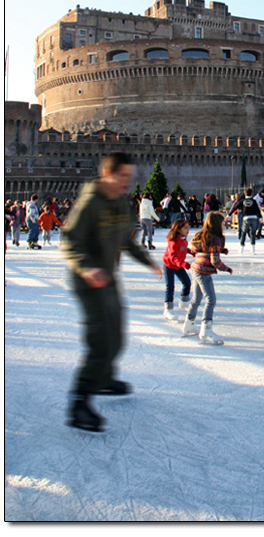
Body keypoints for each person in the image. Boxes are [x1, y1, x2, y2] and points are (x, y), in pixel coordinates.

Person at [61, 152, 162, 433]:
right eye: (123, 177)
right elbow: (69, 242)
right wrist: (86, 269)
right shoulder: (90, 202)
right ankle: (79, 403)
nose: (127, 183)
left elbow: (126, 241)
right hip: (87, 279)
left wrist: (148, 262)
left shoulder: (119, 201)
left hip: (108, 276)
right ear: (108, 174)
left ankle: (104, 378)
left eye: (130, 177)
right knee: (100, 339)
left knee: (117, 333)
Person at [181, 212, 233, 345]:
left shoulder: (202, 234)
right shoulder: (215, 238)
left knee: (196, 299)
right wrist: (226, 268)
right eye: (222, 223)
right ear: (217, 224)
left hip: (195, 268)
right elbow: (215, 261)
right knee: (211, 299)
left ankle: (188, 324)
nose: (223, 225)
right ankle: (206, 329)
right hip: (203, 271)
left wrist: (221, 250)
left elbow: (200, 249)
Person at [162, 217, 193, 320]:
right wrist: (183, 264)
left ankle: (184, 302)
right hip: (169, 265)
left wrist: (190, 251)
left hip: (177, 265)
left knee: (187, 282)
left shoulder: (183, 239)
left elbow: (183, 248)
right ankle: (168, 310)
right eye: (185, 228)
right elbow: (173, 257)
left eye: (188, 227)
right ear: (178, 229)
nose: (187, 230)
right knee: (170, 287)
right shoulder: (174, 242)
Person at [232, 188, 263, 253]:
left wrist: (229, 215)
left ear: (245, 194)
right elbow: (257, 210)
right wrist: (260, 218)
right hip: (254, 217)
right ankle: (253, 248)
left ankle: (241, 247)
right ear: (251, 194)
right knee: (253, 233)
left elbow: (235, 207)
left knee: (243, 232)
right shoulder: (254, 201)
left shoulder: (243, 201)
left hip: (246, 218)